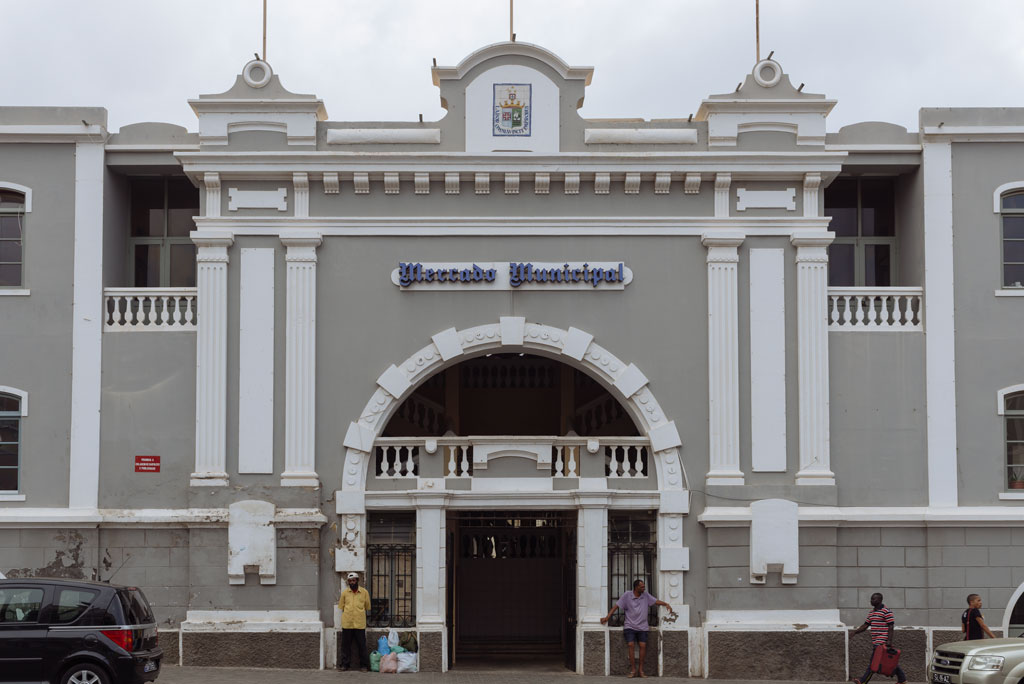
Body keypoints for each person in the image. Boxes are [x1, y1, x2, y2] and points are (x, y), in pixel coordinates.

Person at [600, 579, 672, 678]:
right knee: (631, 645)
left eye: (644, 586)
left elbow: (655, 601)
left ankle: (641, 670)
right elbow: (616, 606)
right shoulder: (627, 595)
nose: (644, 588)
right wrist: (607, 617)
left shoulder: (645, 595)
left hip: (642, 626)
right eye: (642, 587)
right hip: (630, 625)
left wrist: (666, 604)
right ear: (636, 587)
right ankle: (633, 670)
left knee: (643, 646)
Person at [850, 592, 907, 684]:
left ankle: (863, 681)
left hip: (882, 641)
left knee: (873, 662)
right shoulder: (872, 613)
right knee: (886, 661)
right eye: (871, 599)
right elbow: (865, 625)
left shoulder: (886, 611)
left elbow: (891, 626)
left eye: (874, 599)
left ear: (880, 600)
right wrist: (855, 632)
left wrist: (889, 641)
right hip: (876, 641)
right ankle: (902, 679)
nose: (871, 601)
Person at [337, 572, 371, 672]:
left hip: (360, 624)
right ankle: (344, 665)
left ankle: (364, 665)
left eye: (354, 580)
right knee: (345, 646)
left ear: (357, 581)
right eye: (350, 581)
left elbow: (367, 606)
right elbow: (341, 606)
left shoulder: (364, 592)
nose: (352, 582)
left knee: (362, 645)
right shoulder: (344, 593)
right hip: (347, 623)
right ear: (348, 582)